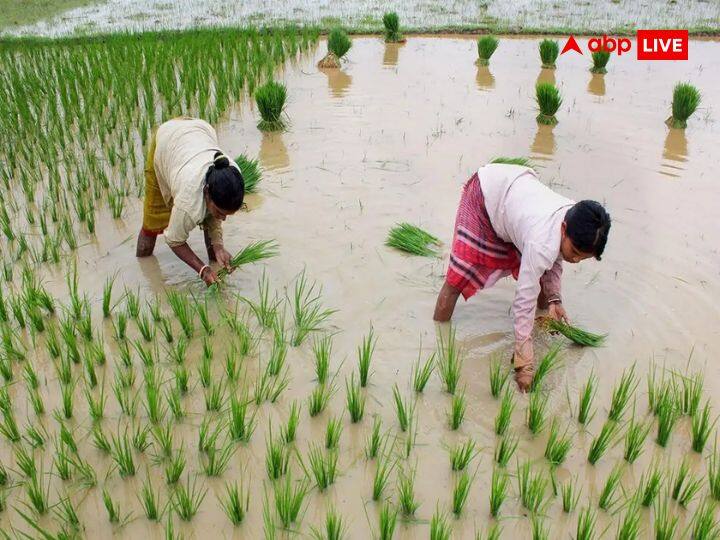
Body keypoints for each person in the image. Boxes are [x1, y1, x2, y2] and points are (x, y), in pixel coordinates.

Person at [433, 163, 611, 392]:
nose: (575, 260)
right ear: (564, 229)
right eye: (575, 253)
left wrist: (554, 300)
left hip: (515, 196)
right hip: (486, 196)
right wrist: (524, 362)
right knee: (458, 277)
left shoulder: (574, 217)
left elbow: (555, 260)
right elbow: (523, 301)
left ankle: (541, 321)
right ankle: (438, 336)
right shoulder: (541, 242)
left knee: (542, 277)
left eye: (582, 258)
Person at [135, 117, 244, 286]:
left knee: (211, 216)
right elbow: (173, 240)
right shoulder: (189, 200)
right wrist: (202, 269)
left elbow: (213, 217)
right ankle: (142, 267)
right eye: (221, 213)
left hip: (200, 130)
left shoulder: (231, 173)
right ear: (206, 193)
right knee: (152, 221)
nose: (223, 219)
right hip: (166, 141)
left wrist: (218, 247)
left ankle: (216, 267)